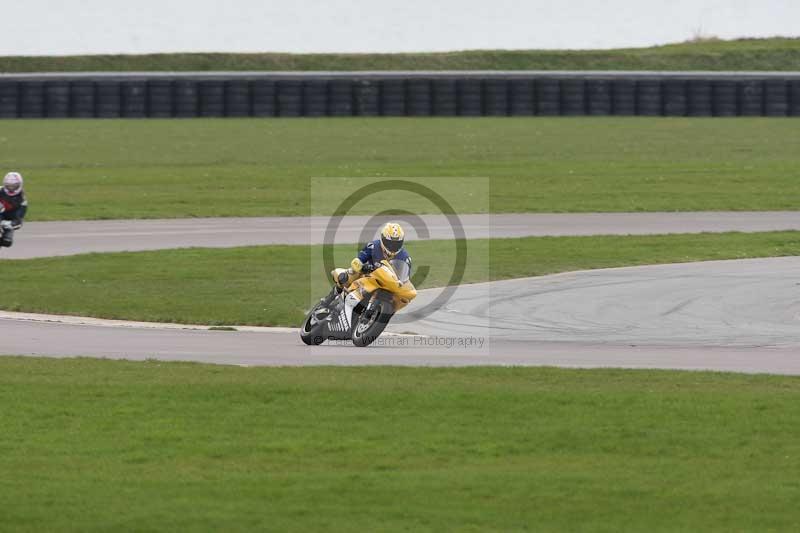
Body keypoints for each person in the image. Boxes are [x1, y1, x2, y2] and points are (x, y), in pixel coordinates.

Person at [0, 172, 28, 248]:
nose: (11, 188)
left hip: (9, 221)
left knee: (7, 242)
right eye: (8, 186)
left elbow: (19, 218)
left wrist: (11, 224)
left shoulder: (22, 199)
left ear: (20, 185)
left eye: (14, 186)